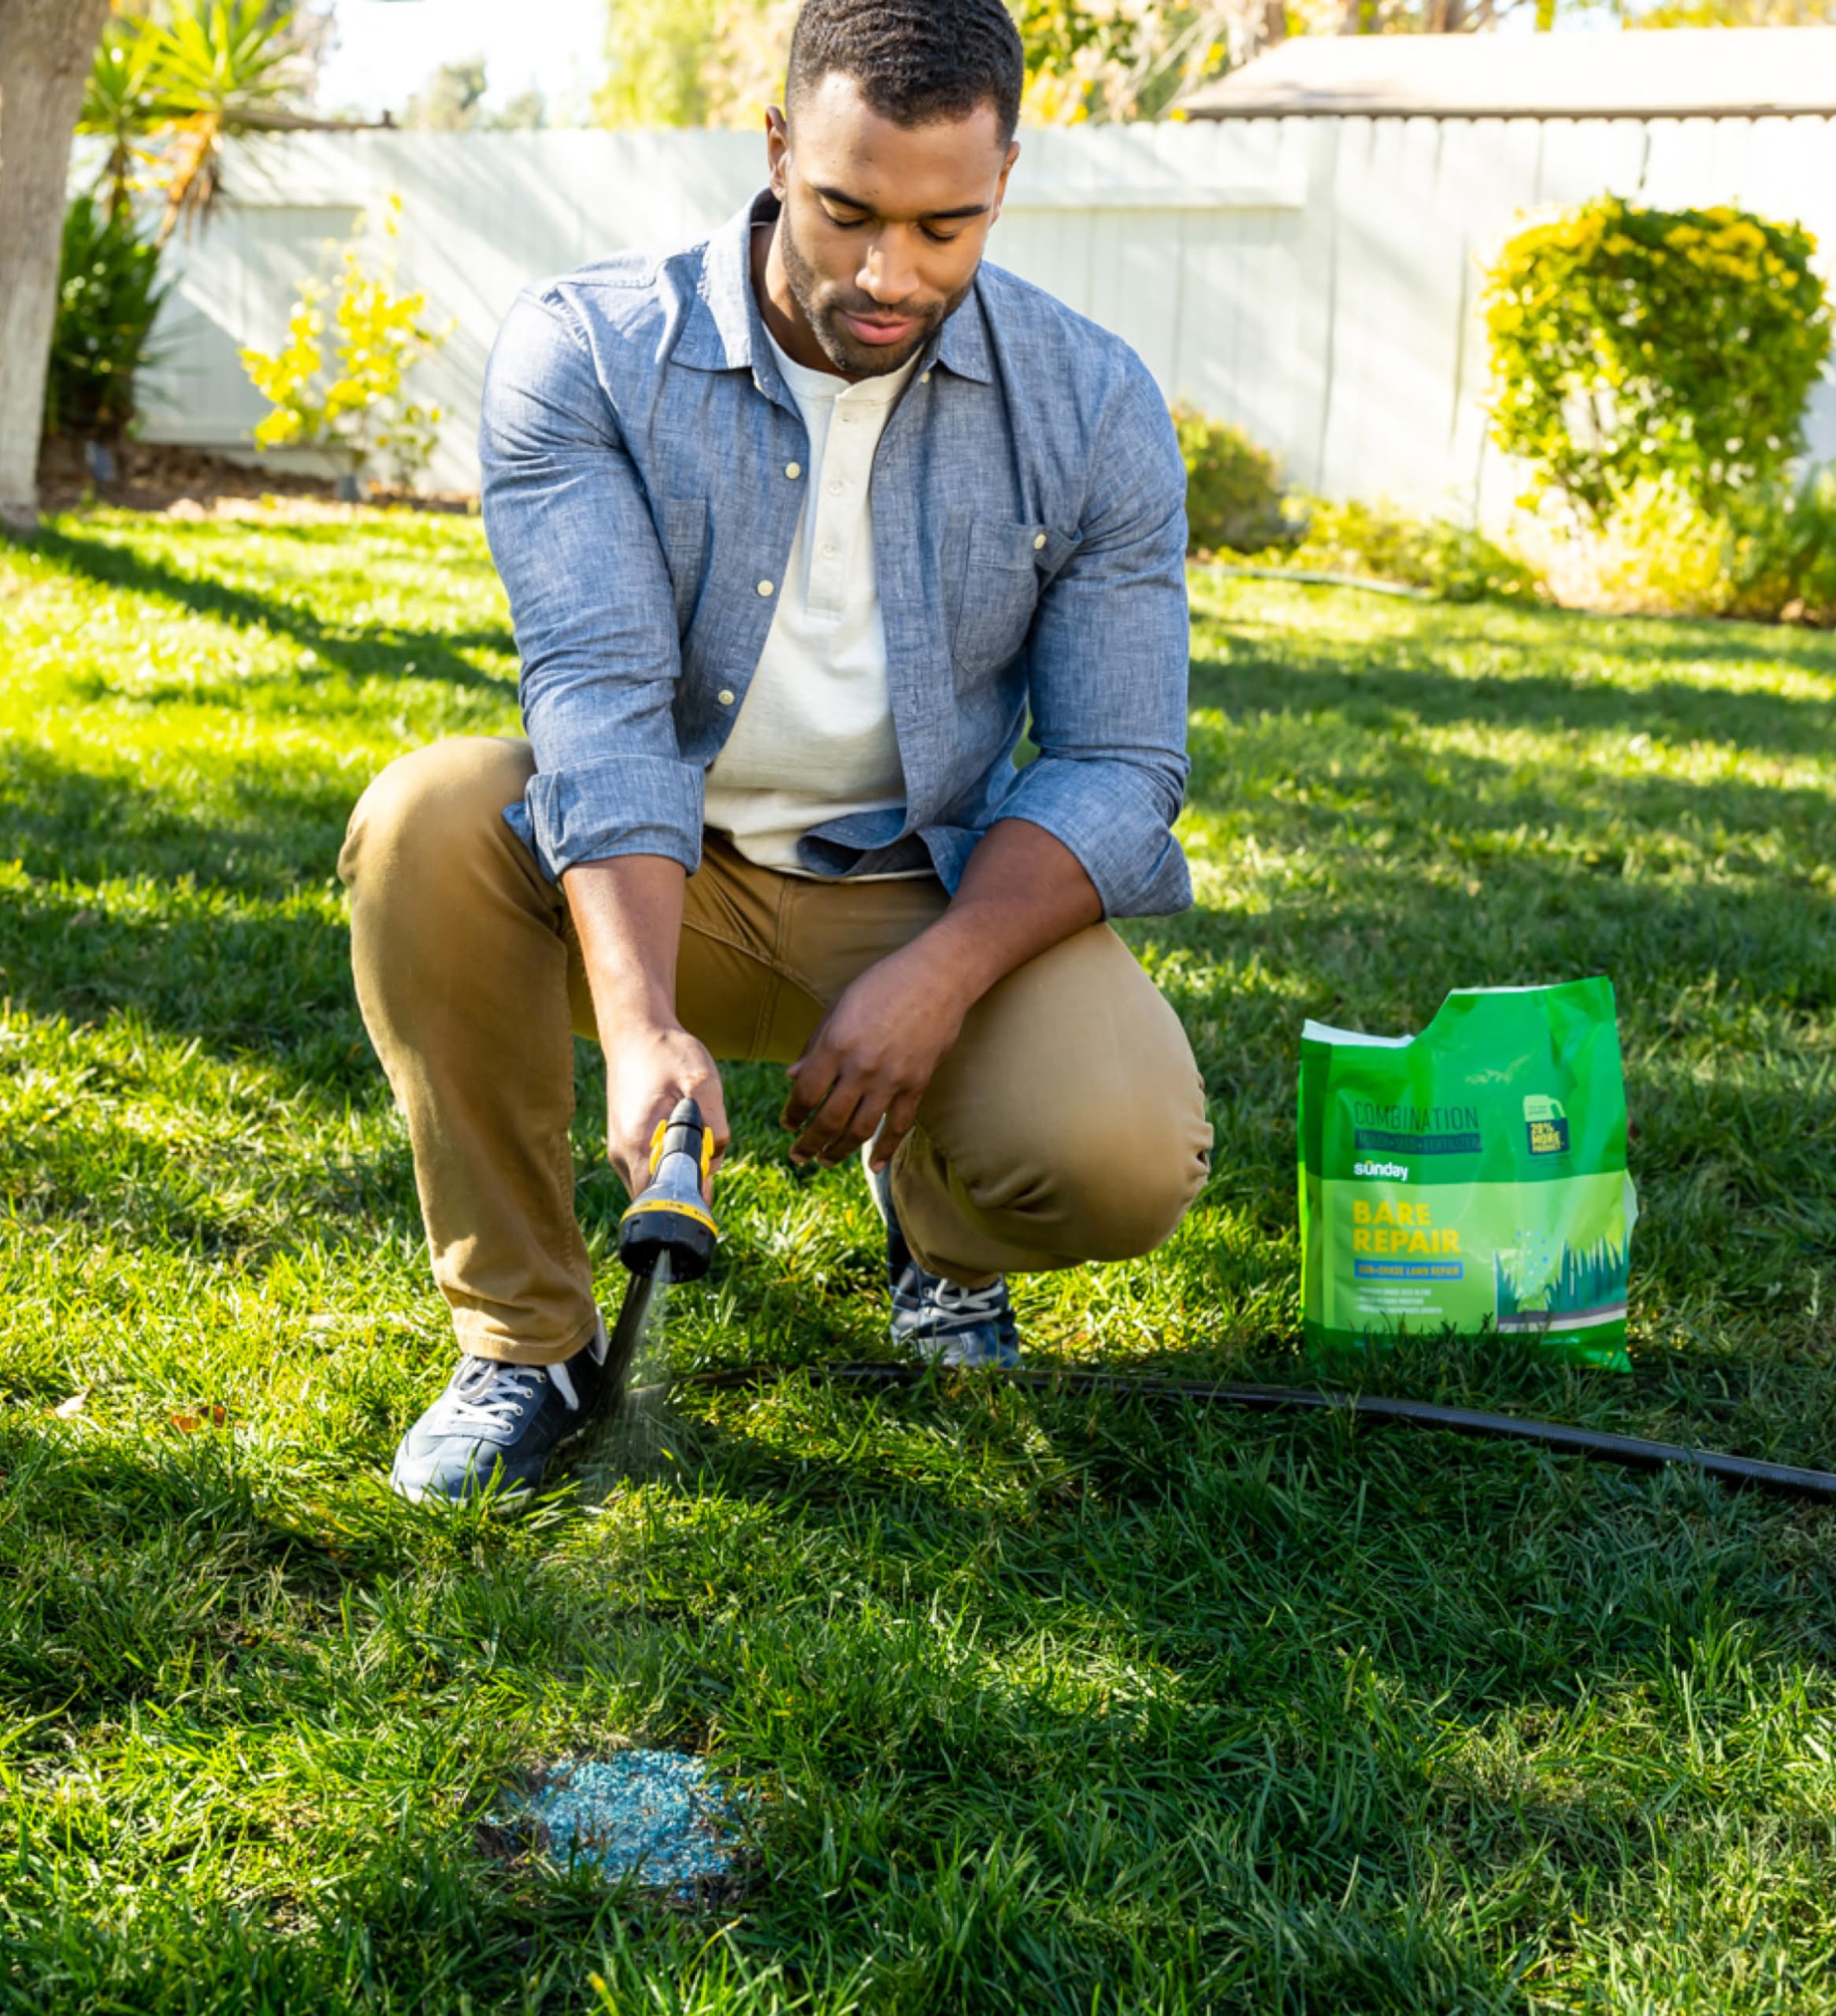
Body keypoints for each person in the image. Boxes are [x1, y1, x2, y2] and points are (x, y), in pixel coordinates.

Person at [339, 0, 1213, 1506]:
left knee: (1123, 1156)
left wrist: (935, 984)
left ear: (1006, 175)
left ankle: (937, 1234)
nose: (891, 274)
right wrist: (638, 1022)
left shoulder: (1095, 403)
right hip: (650, 879)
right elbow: (599, 702)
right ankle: (523, 1344)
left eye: (949, 226)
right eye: (847, 211)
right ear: (775, 151)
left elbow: (1122, 767)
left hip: (918, 884)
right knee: (426, 817)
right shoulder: (594, 352)